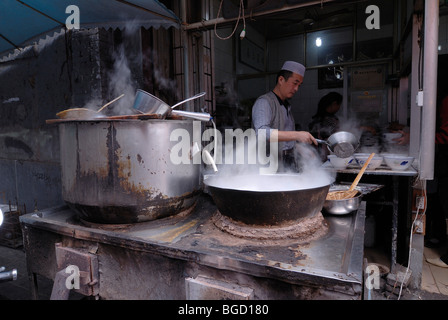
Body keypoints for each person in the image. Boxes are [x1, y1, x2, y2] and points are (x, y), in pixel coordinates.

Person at [252, 61, 317, 171]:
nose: (296, 89)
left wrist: (299, 147)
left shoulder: (286, 106)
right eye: (294, 83)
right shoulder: (264, 102)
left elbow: (285, 140)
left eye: (299, 85)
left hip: (287, 161)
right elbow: (262, 132)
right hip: (268, 166)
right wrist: (297, 135)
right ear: (281, 80)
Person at [308, 92, 343, 160]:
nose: (339, 108)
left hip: (315, 154)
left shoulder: (316, 118)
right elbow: (332, 138)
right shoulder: (330, 120)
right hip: (323, 155)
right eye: (339, 105)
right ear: (334, 103)